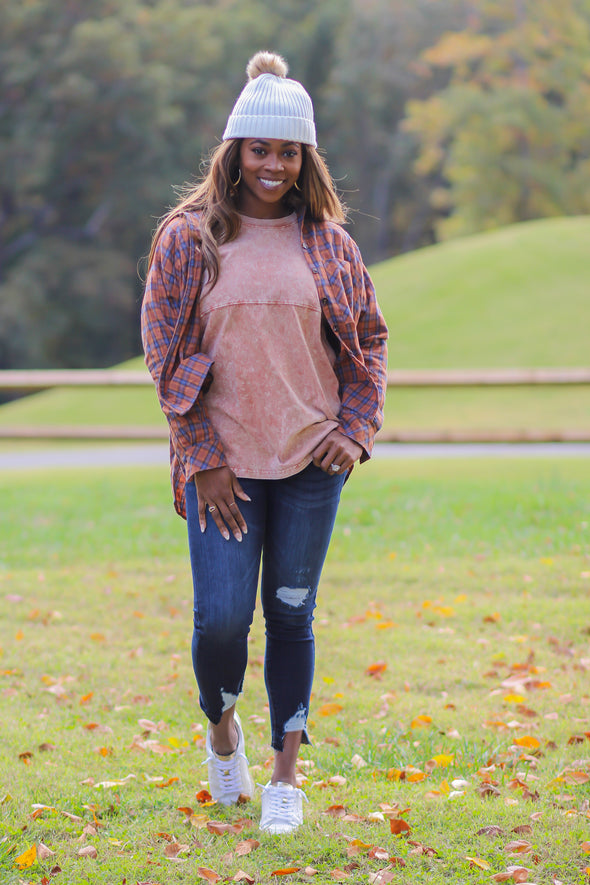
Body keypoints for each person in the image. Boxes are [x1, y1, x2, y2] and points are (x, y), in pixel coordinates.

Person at [141, 50, 388, 835]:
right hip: (223, 468)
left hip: (311, 461)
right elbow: (164, 353)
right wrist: (203, 459)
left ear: (304, 157)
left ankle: (285, 774)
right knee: (219, 621)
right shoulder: (189, 240)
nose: (274, 164)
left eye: (289, 151)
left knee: (292, 612)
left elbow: (369, 342)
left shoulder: (330, 246)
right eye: (261, 149)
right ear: (235, 151)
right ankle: (222, 731)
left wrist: (355, 428)